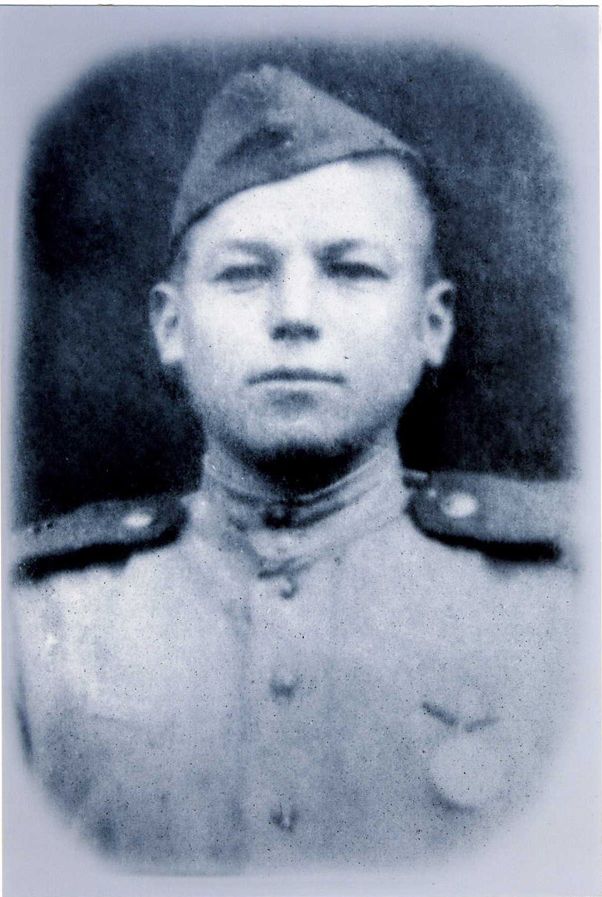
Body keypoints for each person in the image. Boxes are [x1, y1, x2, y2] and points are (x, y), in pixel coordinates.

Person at [10, 64, 575, 873]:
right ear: (171, 326)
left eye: (351, 270)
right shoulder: (34, 624)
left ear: (432, 324)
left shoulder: (565, 600)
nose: (296, 315)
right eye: (244, 273)